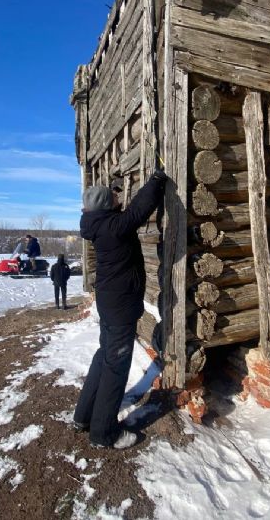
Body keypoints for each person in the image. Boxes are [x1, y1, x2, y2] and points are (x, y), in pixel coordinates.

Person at [74, 170, 167, 449]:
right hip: (120, 308)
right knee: (117, 366)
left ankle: (84, 416)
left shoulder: (98, 223)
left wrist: (114, 188)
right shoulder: (114, 226)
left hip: (111, 303)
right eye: (113, 197)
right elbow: (138, 210)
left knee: (105, 356)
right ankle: (104, 433)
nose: (117, 199)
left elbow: (122, 210)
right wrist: (156, 181)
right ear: (106, 206)